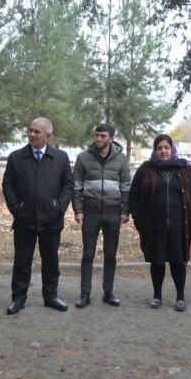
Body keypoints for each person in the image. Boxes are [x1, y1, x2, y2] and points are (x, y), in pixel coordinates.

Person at [2, 117, 74, 315]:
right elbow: (8, 184)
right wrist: (17, 208)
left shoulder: (60, 157)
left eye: (37, 132)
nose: (32, 135)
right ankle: (18, 298)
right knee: (22, 261)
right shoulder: (16, 157)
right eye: (30, 130)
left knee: (51, 261)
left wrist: (58, 207)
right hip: (24, 219)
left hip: (51, 220)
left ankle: (50, 297)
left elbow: (68, 184)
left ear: (48, 136)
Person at [129, 134, 191, 312]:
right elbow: (134, 194)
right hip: (155, 225)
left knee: (179, 262)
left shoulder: (185, 169)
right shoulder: (146, 169)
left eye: (167, 147)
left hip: (179, 225)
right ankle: (157, 295)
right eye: (159, 148)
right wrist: (137, 216)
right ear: (155, 150)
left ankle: (180, 297)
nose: (163, 151)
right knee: (158, 261)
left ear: (173, 149)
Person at [72, 123, 131, 308]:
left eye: (103, 136)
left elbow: (126, 188)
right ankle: (85, 294)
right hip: (90, 212)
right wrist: (78, 210)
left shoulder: (121, 160)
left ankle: (108, 292)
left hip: (113, 213)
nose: (98, 139)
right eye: (96, 135)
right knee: (88, 254)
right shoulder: (83, 158)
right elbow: (76, 187)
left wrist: (125, 211)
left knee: (110, 255)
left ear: (111, 138)